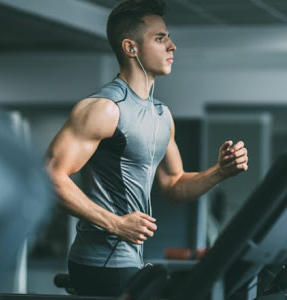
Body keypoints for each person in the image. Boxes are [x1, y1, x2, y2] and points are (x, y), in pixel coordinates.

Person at [44, 0, 249, 296]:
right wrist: (115, 224)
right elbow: (50, 176)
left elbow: (174, 185)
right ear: (131, 48)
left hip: (132, 258)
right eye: (160, 38)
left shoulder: (161, 115)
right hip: (101, 262)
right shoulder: (105, 108)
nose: (172, 46)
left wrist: (220, 172)